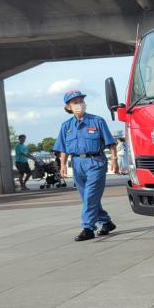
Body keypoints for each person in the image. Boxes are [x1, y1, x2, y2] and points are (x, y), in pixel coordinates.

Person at [53, 90, 119, 241]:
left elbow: (111, 143)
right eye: (75, 102)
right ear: (68, 107)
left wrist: (114, 160)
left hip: (95, 162)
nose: (80, 104)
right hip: (77, 164)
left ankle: (88, 228)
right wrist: (63, 165)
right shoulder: (66, 126)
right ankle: (106, 222)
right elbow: (63, 148)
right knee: (87, 197)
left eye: (81, 101)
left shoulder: (97, 121)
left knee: (90, 196)